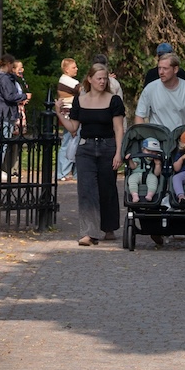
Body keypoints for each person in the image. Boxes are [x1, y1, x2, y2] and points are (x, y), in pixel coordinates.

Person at [60, 60, 124, 245]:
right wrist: (59, 113)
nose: (102, 82)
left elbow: (118, 128)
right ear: (90, 79)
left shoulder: (114, 100)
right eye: (99, 78)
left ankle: (109, 227)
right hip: (86, 148)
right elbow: (73, 128)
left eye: (104, 79)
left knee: (107, 188)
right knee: (86, 190)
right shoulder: (80, 100)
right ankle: (89, 232)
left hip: (107, 146)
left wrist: (118, 152)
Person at [135, 45, 185, 134]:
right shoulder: (150, 89)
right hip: (158, 138)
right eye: (159, 68)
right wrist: (144, 136)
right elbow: (139, 115)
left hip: (182, 137)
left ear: (175, 69)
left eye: (165, 69)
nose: (161, 72)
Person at [0, 54, 28, 171]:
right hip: (5, 112)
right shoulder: (4, 79)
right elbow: (9, 96)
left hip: (1, 111)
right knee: (3, 141)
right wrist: (24, 96)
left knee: (1, 140)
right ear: (9, 64)